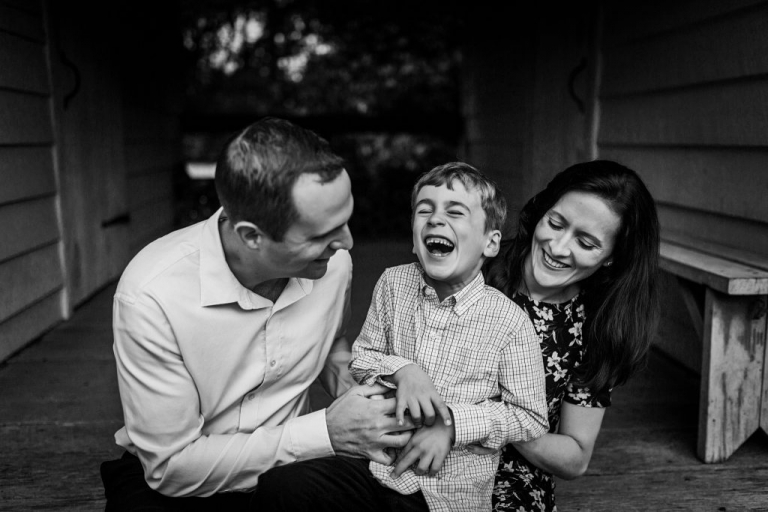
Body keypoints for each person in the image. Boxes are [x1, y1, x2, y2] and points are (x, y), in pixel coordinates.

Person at [99, 117, 415, 511]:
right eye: (320, 234)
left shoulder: (334, 265)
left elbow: (330, 342)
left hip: (293, 476)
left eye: (346, 220)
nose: (347, 243)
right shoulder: (152, 295)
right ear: (252, 235)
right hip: (179, 488)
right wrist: (329, 431)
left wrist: (357, 390)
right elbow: (172, 468)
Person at [253, 162, 549, 512]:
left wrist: (452, 425)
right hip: (375, 465)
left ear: (490, 242)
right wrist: (403, 370)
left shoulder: (509, 321)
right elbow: (362, 357)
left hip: (448, 493)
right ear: (413, 237)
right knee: (280, 485)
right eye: (425, 210)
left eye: (455, 212)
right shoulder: (394, 284)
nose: (436, 220)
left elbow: (531, 418)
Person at [482, 160, 660, 511]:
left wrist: (494, 421)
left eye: (586, 242)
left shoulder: (595, 330)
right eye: (556, 223)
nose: (558, 247)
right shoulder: (479, 264)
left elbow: (575, 456)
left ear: (611, 257)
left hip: (510, 481)